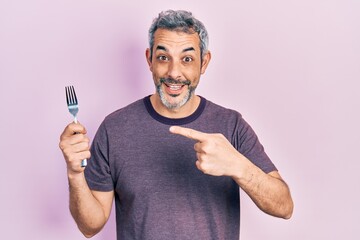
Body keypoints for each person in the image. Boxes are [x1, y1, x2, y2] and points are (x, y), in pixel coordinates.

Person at [59, 9, 293, 240]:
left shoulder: (232, 125)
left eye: (187, 59)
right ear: (149, 59)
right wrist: (74, 174)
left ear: (204, 63)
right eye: (163, 57)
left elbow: (284, 207)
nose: (174, 72)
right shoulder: (114, 128)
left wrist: (239, 166)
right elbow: (90, 226)